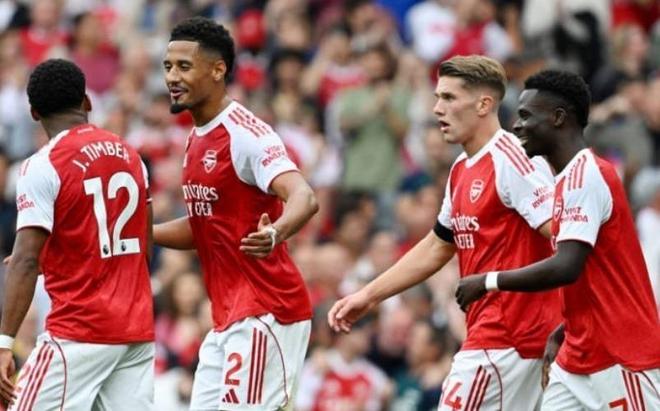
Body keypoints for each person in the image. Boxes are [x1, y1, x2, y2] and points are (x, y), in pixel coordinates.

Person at [328, 55, 560, 410]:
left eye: (449, 98)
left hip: (508, 339)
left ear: (484, 104)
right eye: (437, 98)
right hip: (498, 338)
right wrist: (369, 295)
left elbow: (564, 236)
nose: (437, 109)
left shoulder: (513, 158)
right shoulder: (461, 168)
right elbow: (438, 245)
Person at [456, 69, 660, 410]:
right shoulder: (566, 179)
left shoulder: (587, 175)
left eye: (525, 116)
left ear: (558, 117)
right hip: (577, 356)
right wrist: (564, 329)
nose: (516, 126)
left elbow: (567, 266)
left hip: (621, 355)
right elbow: (594, 271)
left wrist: (488, 281)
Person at [155, 17, 318, 410]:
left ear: (218, 70)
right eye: (168, 66)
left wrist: (276, 231)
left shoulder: (245, 134)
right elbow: (204, 227)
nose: (172, 77)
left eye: (184, 66)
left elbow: (304, 196)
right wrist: (139, 230)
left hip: (267, 310)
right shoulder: (196, 137)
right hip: (227, 317)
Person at [0, 59, 155, 410]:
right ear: (87, 102)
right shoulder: (131, 155)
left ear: (34, 113)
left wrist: (4, 344)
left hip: (78, 331)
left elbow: (25, 259)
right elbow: (142, 247)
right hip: (135, 331)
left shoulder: (42, 165)